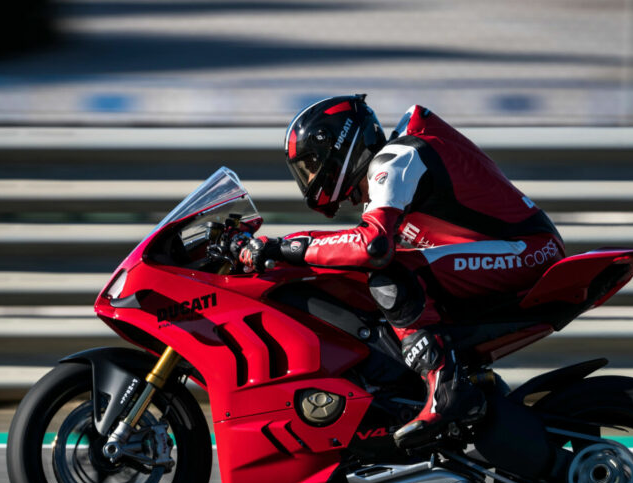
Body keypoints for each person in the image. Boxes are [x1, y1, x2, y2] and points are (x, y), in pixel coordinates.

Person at [237, 94, 565, 448]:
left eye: (312, 164)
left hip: (528, 251)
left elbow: (372, 245)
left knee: (392, 274)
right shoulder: (391, 167)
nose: (311, 176)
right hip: (502, 252)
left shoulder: (396, 160)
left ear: (339, 145)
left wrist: (281, 246)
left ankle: (447, 387)